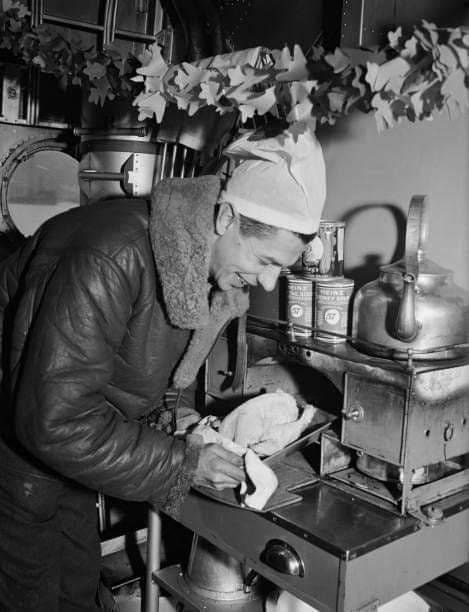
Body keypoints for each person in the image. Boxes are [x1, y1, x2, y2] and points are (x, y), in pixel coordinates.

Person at [0, 121, 326, 611]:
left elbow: (150, 379)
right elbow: (53, 421)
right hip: (16, 455)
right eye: (265, 260)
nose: (265, 283)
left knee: (76, 585)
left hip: (68, 456)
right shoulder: (113, 254)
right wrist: (184, 463)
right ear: (226, 219)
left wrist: (191, 430)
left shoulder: (200, 272)